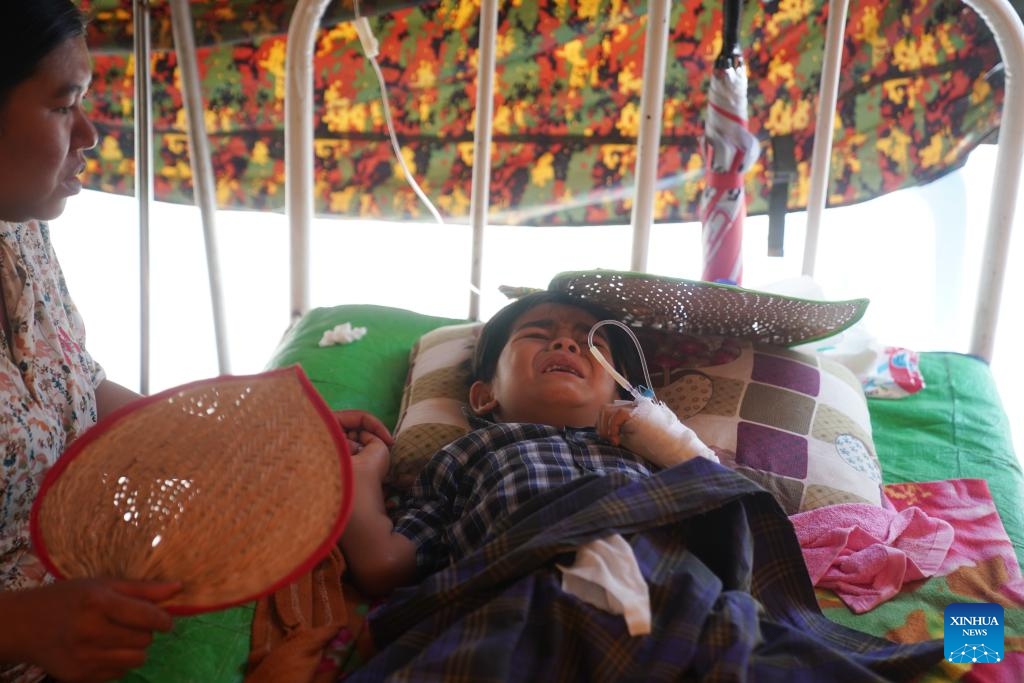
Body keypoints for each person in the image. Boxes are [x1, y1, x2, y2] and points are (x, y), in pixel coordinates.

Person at [0, 5, 392, 682]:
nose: (92, 135)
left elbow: (77, 387)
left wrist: (246, 442)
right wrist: (27, 624)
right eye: (65, 107)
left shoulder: (18, 231)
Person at [340, 291, 716, 597]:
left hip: (666, 602)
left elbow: (727, 521)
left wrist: (665, 440)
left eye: (592, 342)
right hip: (522, 606)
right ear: (484, 395)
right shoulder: (467, 456)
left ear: (621, 394)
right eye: (537, 333)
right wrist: (361, 474)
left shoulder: (651, 455)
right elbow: (384, 565)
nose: (567, 343)